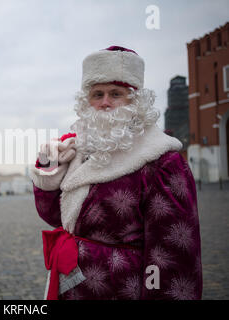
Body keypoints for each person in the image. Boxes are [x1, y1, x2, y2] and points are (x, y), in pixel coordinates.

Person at [30, 46, 202, 300]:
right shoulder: (80, 150)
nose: (105, 102)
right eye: (97, 94)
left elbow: (174, 255)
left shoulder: (163, 161)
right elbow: (56, 217)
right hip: (71, 286)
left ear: (135, 101)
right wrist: (49, 166)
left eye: (115, 94)